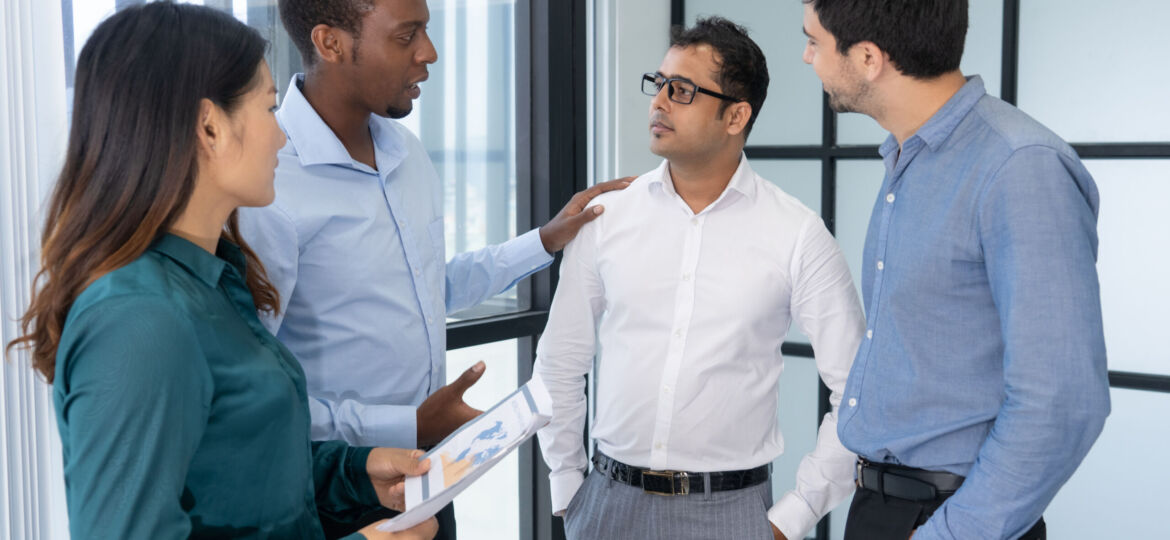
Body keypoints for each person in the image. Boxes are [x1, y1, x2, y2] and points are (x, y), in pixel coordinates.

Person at [7, 3, 436, 538]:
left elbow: (238, 473)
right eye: (268, 108)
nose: (281, 136)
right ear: (210, 127)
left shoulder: (219, 278)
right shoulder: (137, 320)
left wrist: (353, 474)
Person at [238, 0, 627, 535]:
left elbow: (429, 286)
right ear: (330, 44)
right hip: (330, 488)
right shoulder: (268, 186)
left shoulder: (405, 151)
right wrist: (405, 423)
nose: (430, 53)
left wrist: (545, 240)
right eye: (407, 36)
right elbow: (252, 393)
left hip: (426, 470)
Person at [534, 17, 864, 540]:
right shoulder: (608, 219)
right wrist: (568, 487)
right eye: (659, 83)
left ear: (736, 116)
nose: (659, 102)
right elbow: (559, 361)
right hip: (604, 505)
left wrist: (794, 516)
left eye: (682, 90)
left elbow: (857, 391)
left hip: (732, 514)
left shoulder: (797, 234)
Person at [800, 1, 1111, 538]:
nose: (807, 59)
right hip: (880, 507)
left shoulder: (1019, 166)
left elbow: (1062, 404)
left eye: (814, 41)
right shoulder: (908, 158)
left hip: (954, 519)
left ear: (869, 57)